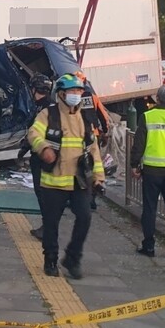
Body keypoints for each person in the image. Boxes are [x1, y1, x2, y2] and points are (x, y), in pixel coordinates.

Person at [28, 73, 106, 278]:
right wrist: (43, 148)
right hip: (53, 182)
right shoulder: (49, 114)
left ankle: (72, 258)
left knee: (85, 217)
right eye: (72, 91)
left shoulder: (86, 117)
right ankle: (51, 259)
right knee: (51, 223)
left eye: (79, 91)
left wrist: (99, 177)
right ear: (61, 94)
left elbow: (93, 150)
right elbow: (33, 134)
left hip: (79, 181)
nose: (76, 95)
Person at [130, 83, 165, 258]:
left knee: (150, 208)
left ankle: (149, 246)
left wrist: (134, 165)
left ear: (157, 98)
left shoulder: (147, 116)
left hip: (152, 171)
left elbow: (139, 144)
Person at [19, 73, 53, 240]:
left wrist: (25, 147)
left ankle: (48, 227)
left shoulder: (43, 109)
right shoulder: (49, 106)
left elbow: (36, 132)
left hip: (41, 157)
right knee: (45, 193)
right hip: (45, 155)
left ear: (34, 89)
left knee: (43, 193)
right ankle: (47, 226)